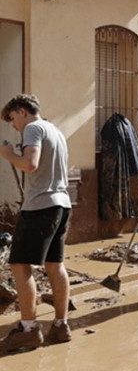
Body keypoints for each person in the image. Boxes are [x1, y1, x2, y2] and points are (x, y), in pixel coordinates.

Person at [0, 94, 72, 351]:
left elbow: (30, 165)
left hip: (41, 206)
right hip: (62, 204)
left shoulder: (33, 128)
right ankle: (61, 324)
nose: (14, 126)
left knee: (19, 264)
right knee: (55, 264)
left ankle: (28, 329)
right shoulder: (55, 130)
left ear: (21, 111)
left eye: (12, 120)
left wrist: (7, 154)